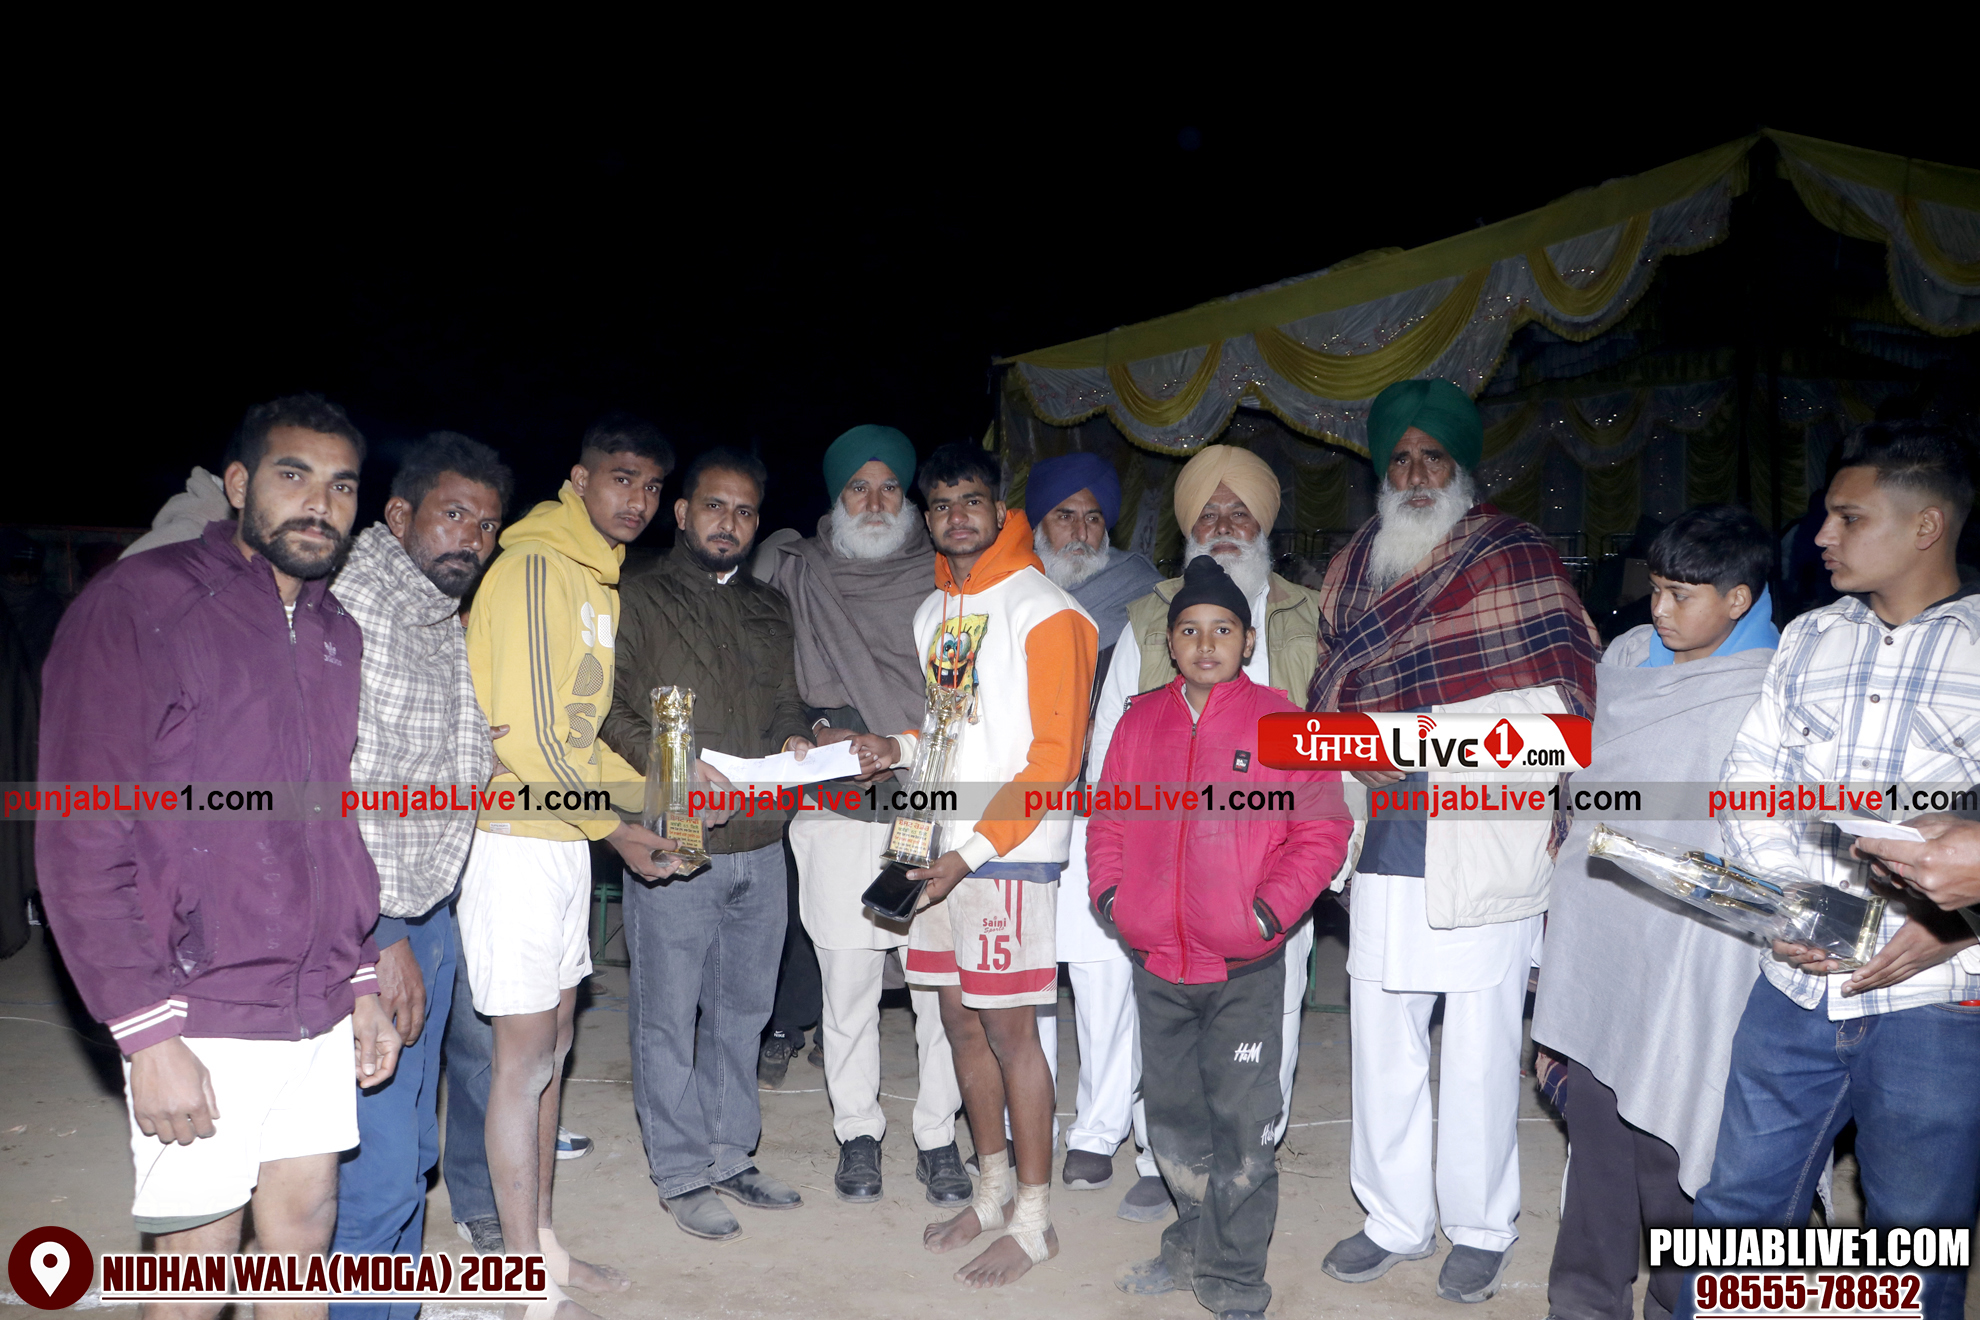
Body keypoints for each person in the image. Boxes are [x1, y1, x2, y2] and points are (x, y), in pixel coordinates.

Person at [36, 394, 401, 1318]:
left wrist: (358, 974)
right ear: (239, 484)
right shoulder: (140, 605)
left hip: (314, 1002)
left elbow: (331, 820)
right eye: (293, 475)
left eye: (342, 485)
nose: (319, 503)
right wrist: (145, 1032)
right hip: (195, 1005)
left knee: (303, 1236)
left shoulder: (335, 631)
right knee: (196, 1268)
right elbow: (79, 837)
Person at [1310, 377, 1599, 1305]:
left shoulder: (1514, 554)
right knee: (1382, 1044)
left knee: (1478, 1050)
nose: (1415, 474)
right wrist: (1358, 754)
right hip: (1385, 844)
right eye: (1399, 459)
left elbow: (1562, 708)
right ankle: (1393, 1218)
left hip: (1485, 836)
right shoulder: (1353, 567)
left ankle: (1480, 1227)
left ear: (1462, 467)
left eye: (1432, 457)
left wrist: (1420, 739)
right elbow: (1327, 709)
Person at [1684, 422, 1979, 1320]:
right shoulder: (1811, 638)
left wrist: (1958, 920)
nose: (1821, 536)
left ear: (1925, 526)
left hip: (1940, 1004)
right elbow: (1751, 782)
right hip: (1795, 988)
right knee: (1736, 1214)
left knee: (1915, 1243)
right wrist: (1799, 905)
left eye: (1849, 518)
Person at [847, 442, 1097, 1288]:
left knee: (1010, 1031)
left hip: (1009, 853)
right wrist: (898, 747)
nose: (958, 516)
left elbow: (1053, 759)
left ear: (1000, 510)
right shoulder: (936, 612)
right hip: (940, 850)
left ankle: (1033, 1219)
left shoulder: (1047, 609)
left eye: (973, 501)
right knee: (957, 1023)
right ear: (929, 518)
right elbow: (954, 729)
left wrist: (970, 854)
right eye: (943, 504)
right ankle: (990, 1192)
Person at [1530, 505, 1780, 1320]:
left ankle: (1681, 1300)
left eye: (1682, 595)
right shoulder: (1631, 657)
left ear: (1739, 599)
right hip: (1605, 925)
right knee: (1597, 1122)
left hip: (1699, 941)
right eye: (1658, 588)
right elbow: (1594, 784)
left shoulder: (1769, 687)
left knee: (1674, 1123)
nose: (1660, 610)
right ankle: (1585, 1297)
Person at [461, 414, 683, 1319]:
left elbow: (581, 741)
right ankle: (520, 1275)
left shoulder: (598, 576)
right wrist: (619, 828)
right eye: (622, 479)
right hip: (513, 842)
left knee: (554, 1048)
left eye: (652, 486)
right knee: (522, 1062)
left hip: (560, 843)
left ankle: (543, 1244)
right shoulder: (534, 567)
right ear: (580, 479)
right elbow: (527, 739)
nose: (638, 499)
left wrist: (663, 791)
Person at [1090, 556, 1352, 1320]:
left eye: (1223, 630)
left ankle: (1235, 1279)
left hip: (1244, 969)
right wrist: (1115, 899)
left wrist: (1266, 914)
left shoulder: (1285, 724)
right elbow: (1108, 820)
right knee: (1172, 1120)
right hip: (1158, 964)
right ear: (1170, 642)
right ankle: (1188, 1246)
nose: (1206, 645)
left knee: (1240, 1126)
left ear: (1248, 640)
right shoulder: (1140, 721)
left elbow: (1322, 832)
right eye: (1190, 631)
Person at [600, 446, 815, 1241]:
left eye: (745, 510)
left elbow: (785, 701)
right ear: (683, 513)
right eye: (715, 506)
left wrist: (795, 737)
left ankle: (730, 1155)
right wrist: (676, 763)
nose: (730, 522)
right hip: (676, 839)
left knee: (742, 1012)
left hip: (760, 841)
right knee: (666, 1015)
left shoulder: (770, 607)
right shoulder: (636, 597)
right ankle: (681, 1173)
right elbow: (610, 710)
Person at [327, 432, 511, 1316]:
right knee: (377, 1168)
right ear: (399, 515)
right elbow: (337, 791)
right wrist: (382, 938)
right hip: (373, 925)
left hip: (426, 914)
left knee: (407, 1153)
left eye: (487, 524)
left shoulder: (433, 614)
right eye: (453, 514)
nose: (471, 538)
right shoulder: (355, 611)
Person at [768, 425, 970, 1208]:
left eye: (890, 487)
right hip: (836, 807)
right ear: (836, 497)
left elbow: (968, 697)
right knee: (847, 982)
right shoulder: (800, 574)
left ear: (911, 500)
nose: (876, 501)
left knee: (938, 986)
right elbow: (772, 686)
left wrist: (905, 743)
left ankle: (937, 1136)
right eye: (859, 487)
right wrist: (818, 730)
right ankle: (857, 1132)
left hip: (933, 798)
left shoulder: (949, 579)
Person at [1021, 452, 1162, 1199]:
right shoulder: (1013, 595)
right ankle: (1029, 1121)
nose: (1079, 532)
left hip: (1108, 815)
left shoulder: (1145, 599)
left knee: (1105, 978)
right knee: (1030, 974)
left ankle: (1099, 1131)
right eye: (1063, 516)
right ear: (1037, 525)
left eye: (1093, 518)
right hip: (1023, 812)